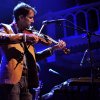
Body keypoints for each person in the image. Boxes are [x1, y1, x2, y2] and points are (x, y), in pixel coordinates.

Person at [0, 2, 67, 100]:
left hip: (27, 81)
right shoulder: (6, 28)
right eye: (30, 17)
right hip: (11, 80)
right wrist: (25, 37)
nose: (33, 21)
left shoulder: (28, 34)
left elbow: (35, 57)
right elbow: (2, 37)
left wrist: (53, 48)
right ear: (21, 17)